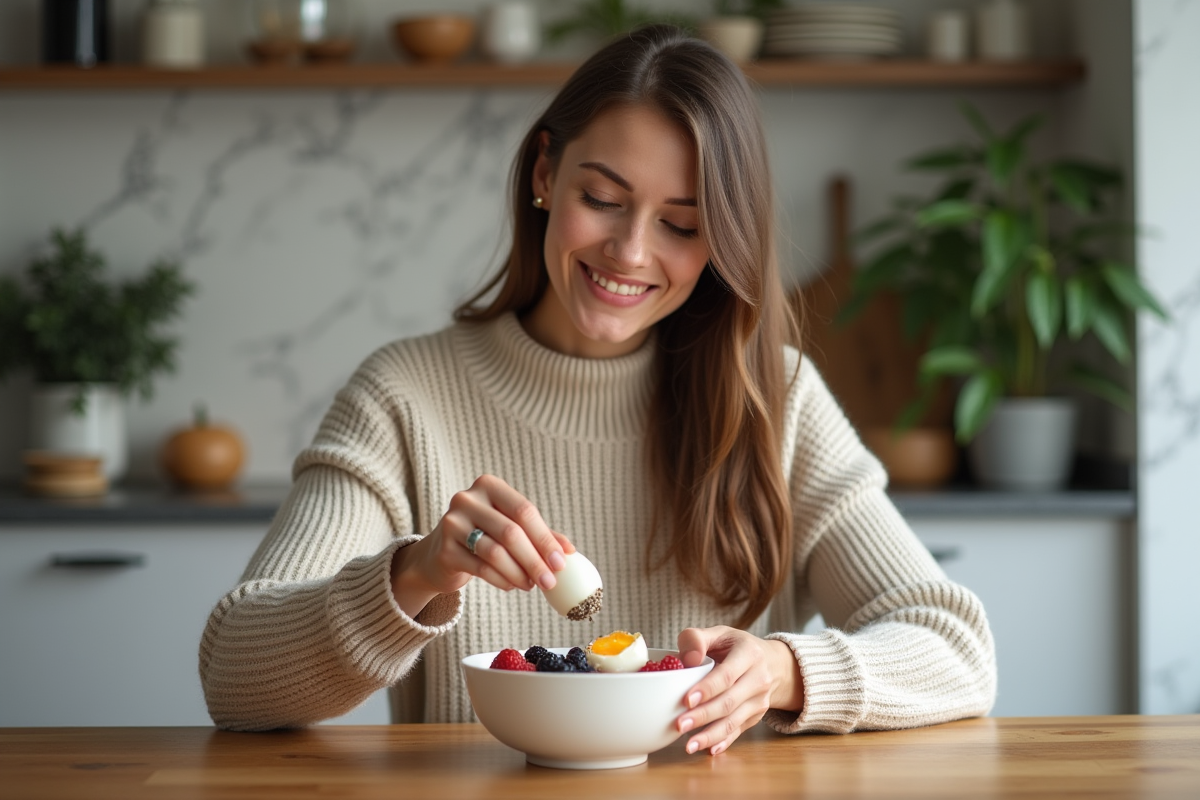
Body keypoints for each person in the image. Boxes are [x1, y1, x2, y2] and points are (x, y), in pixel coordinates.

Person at [199, 25, 996, 755]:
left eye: (681, 225)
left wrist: (783, 671)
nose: (630, 252)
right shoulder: (404, 396)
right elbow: (235, 676)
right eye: (603, 200)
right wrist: (412, 575)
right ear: (546, 173)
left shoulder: (774, 397)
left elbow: (958, 650)